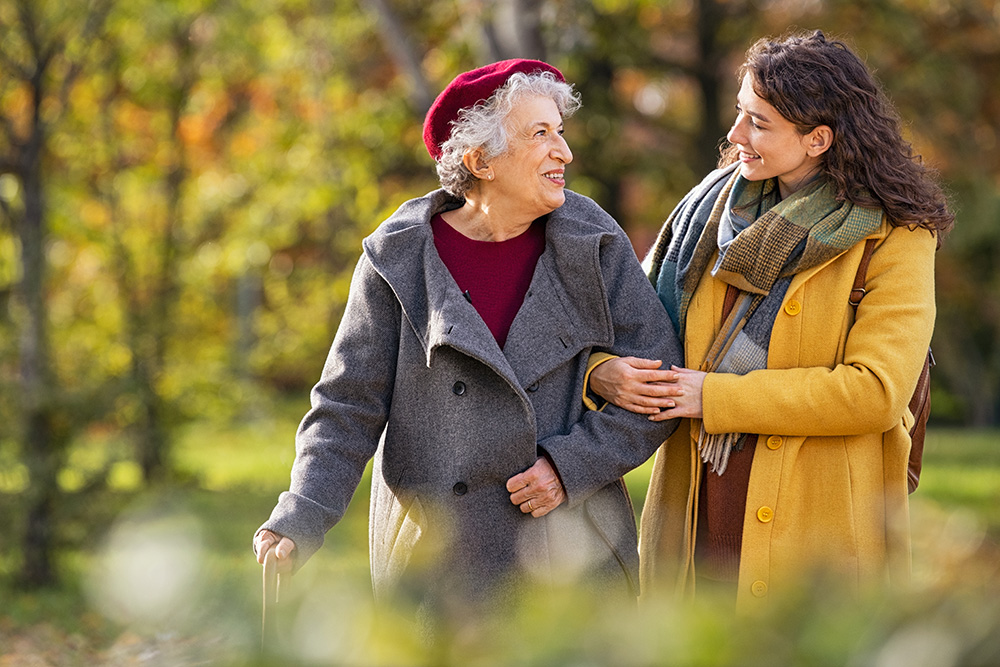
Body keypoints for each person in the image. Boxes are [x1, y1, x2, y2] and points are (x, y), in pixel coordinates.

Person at [253, 59, 681, 627]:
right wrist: (300, 514)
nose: (564, 153)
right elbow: (347, 406)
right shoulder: (399, 259)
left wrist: (570, 465)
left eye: (560, 131)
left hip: (572, 551)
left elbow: (659, 384)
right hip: (439, 561)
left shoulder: (593, 242)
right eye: (540, 134)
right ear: (480, 161)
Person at [587, 31, 953, 610]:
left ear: (817, 139)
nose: (735, 136)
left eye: (758, 123)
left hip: (818, 540)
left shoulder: (897, 237)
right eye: (739, 114)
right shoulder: (705, 218)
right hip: (694, 523)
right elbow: (623, 328)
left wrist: (717, 397)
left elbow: (876, 392)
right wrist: (603, 372)